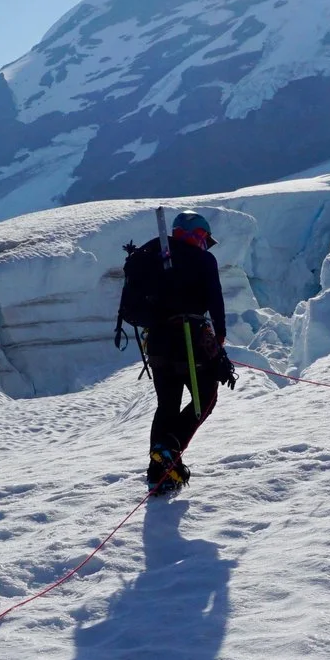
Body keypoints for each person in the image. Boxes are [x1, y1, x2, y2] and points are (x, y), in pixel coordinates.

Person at [114, 210, 236, 495]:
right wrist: (218, 343)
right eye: (204, 238)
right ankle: (169, 449)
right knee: (205, 399)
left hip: (156, 343)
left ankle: (160, 474)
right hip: (190, 340)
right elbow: (216, 304)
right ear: (197, 235)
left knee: (167, 405)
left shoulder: (151, 256)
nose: (206, 244)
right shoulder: (203, 259)